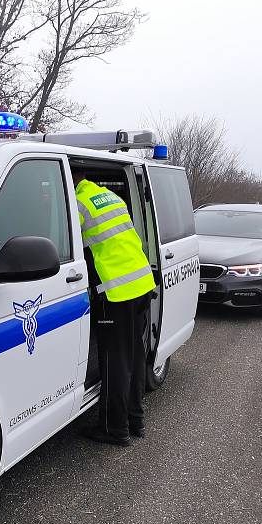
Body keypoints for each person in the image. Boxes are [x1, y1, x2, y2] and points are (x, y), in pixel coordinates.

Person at [73, 169, 156, 447]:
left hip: (116, 291)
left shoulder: (77, 203)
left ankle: (114, 429)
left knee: (115, 362)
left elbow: (69, 244)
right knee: (133, 356)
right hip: (141, 283)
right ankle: (135, 421)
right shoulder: (108, 196)